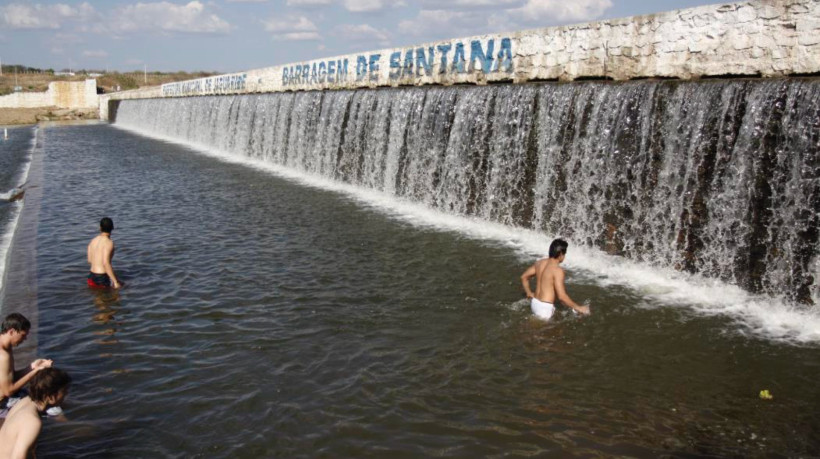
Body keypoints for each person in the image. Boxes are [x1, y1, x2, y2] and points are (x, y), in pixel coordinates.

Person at [0, 368, 71, 459]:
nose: (66, 395)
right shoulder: (32, 422)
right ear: (50, 397)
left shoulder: (24, 402)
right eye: (64, 391)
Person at [520, 238, 590, 320]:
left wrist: (529, 293)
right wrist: (579, 308)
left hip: (535, 302)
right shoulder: (557, 270)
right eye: (565, 254)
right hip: (545, 309)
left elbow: (524, 277)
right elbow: (561, 297)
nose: (564, 256)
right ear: (560, 254)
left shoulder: (539, 263)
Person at [0, 313, 53, 419]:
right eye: (23, 335)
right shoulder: (3, 355)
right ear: (11, 332)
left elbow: (10, 377)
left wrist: (32, 367)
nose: (25, 339)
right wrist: (35, 372)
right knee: (50, 408)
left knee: (47, 398)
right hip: (3, 404)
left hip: (7, 396)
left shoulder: (6, 347)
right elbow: (8, 391)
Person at [87, 217, 122, 289]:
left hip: (91, 276)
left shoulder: (93, 241)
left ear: (100, 228)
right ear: (112, 228)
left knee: (97, 297)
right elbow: (105, 263)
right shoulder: (109, 243)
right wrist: (115, 281)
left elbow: (89, 260)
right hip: (102, 278)